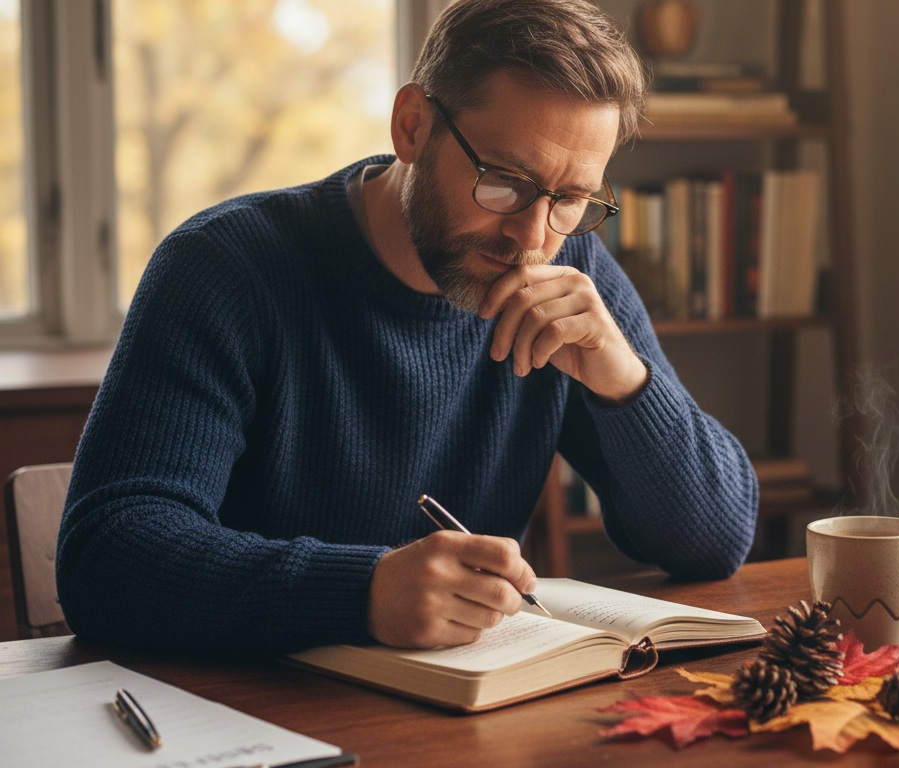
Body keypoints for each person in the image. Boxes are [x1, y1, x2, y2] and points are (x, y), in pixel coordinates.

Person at [55, 0, 757, 656]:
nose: (531, 235)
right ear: (412, 125)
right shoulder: (225, 269)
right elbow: (106, 558)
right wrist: (361, 592)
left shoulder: (568, 270)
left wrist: (622, 378)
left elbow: (715, 541)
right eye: (505, 179)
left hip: (462, 722)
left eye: (570, 198)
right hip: (249, 721)